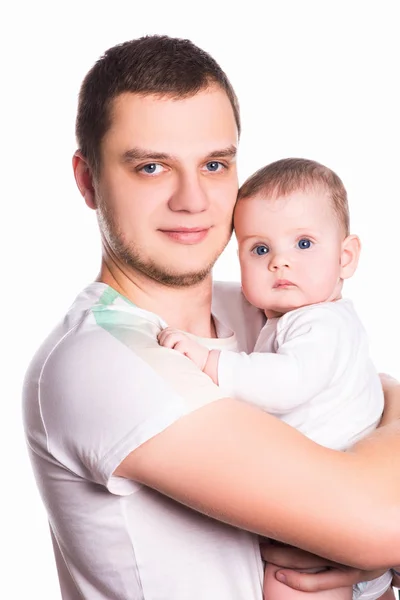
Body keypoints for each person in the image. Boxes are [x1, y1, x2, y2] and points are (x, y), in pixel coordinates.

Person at [22, 35, 400, 600]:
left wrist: (372, 549)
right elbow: (379, 520)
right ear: (87, 180)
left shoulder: (262, 304)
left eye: (215, 164)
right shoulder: (98, 361)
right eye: (151, 167)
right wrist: (372, 538)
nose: (193, 200)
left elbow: (378, 394)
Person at [157, 157, 398, 599]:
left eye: (303, 244)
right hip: (336, 514)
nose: (280, 263)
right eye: (260, 249)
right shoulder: (297, 319)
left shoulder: (320, 324)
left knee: (286, 583)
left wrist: (213, 364)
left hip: (325, 521)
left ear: (346, 257)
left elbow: (287, 383)